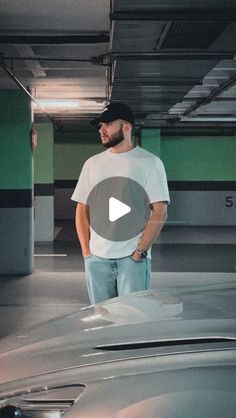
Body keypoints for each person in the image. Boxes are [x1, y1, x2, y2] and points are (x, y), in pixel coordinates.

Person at [71, 102, 170, 304]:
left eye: (107, 124)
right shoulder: (92, 164)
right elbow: (82, 208)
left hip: (131, 259)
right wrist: (87, 252)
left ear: (126, 127)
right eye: (100, 126)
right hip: (97, 258)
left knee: (132, 322)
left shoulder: (150, 163)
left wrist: (139, 252)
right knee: (101, 320)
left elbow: (160, 211)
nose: (102, 129)